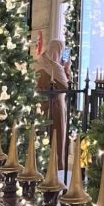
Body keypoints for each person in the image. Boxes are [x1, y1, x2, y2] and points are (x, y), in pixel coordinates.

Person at [35, 39, 71, 169]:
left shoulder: (39, 62)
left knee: (42, 137)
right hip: (56, 108)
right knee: (56, 138)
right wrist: (66, 71)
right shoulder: (56, 68)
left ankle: (40, 165)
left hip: (41, 108)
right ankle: (55, 167)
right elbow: (66, 87)